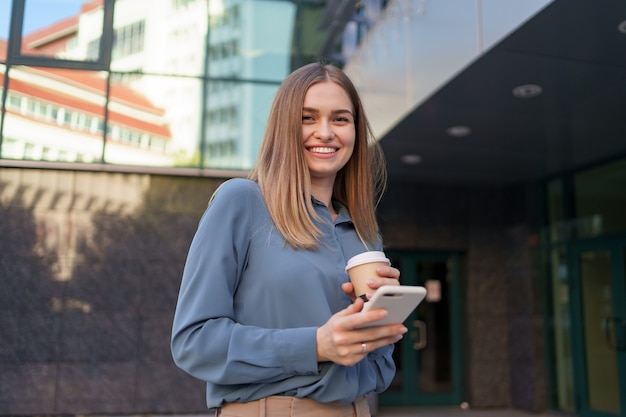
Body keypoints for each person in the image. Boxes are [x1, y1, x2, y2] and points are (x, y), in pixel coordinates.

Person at [170, 62, 408, 417]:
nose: (325, 132)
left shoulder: (362, 230)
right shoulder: (242, 202)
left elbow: (376, 360)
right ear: (284, 126)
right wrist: (314, 345)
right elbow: (194, 343)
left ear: (356, 132)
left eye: (341, 119)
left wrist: (380, 320)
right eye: (308, 118)